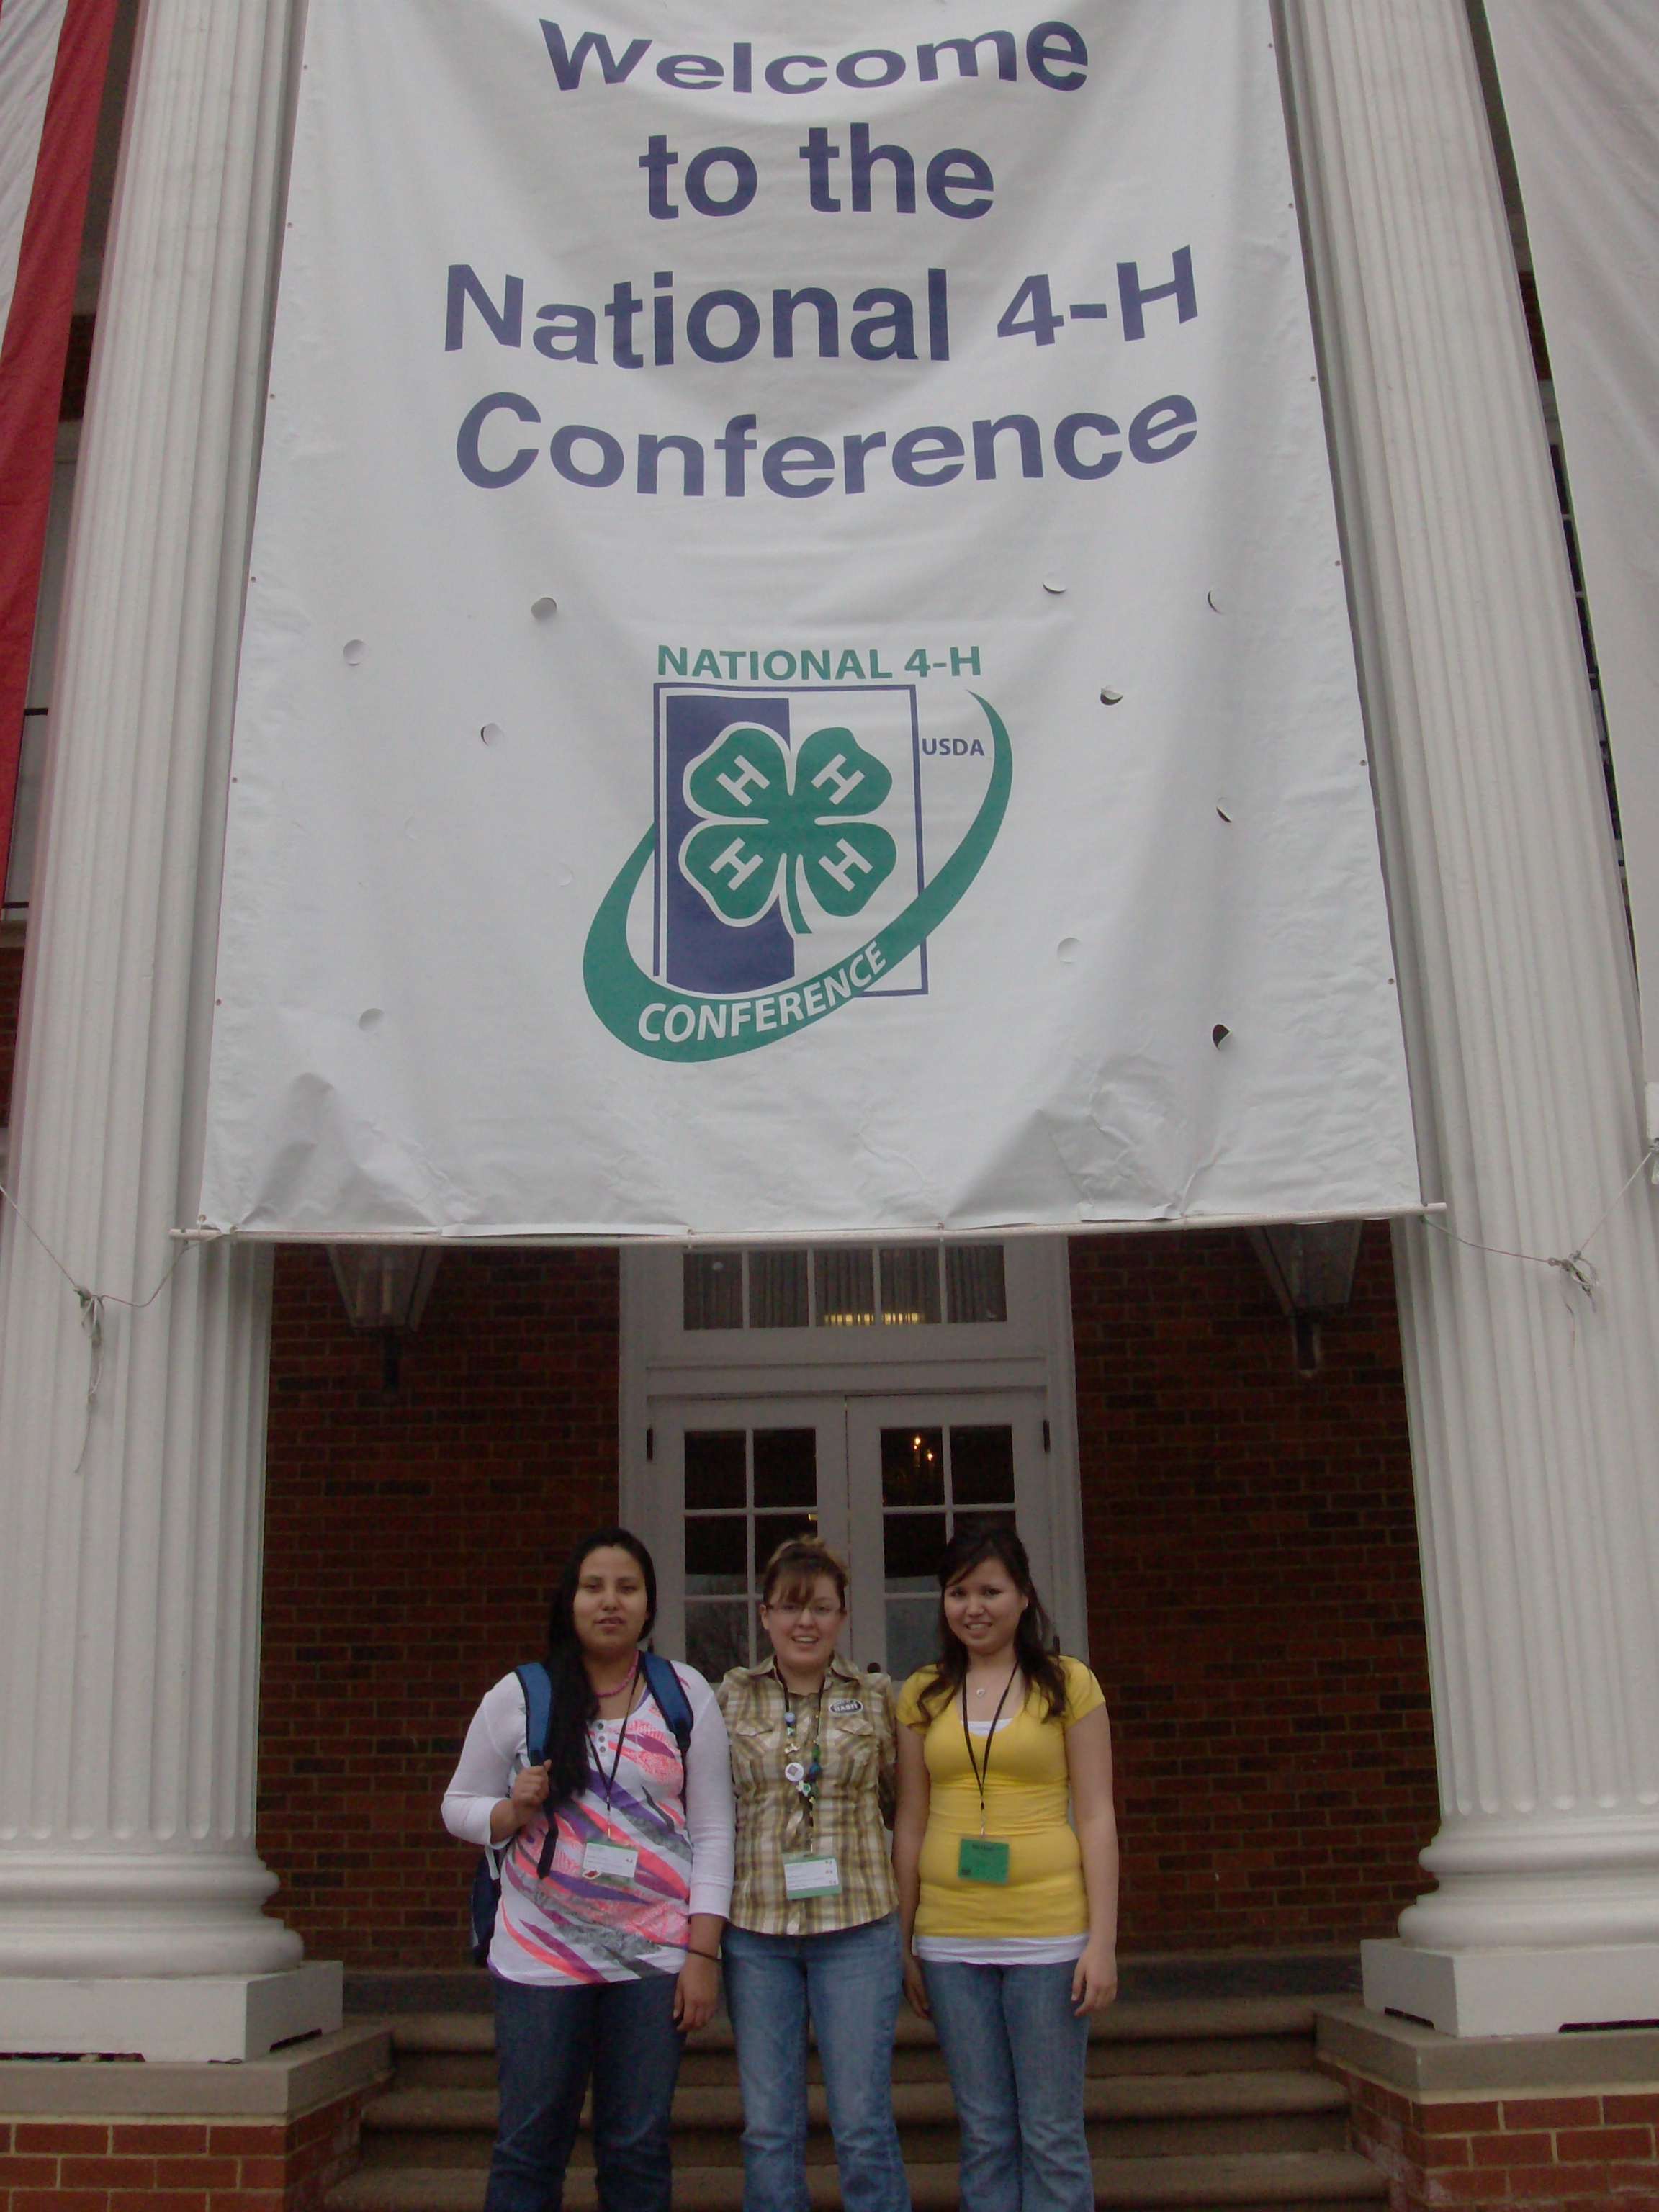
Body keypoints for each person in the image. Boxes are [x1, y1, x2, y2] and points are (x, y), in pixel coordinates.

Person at [442, 1527, 734, 2212]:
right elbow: (457, 1806)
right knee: (529, 2146)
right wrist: (509, 1815)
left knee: (636, 2150)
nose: (611, 1603)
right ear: (569, 1601)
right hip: (542, 1959)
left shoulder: (684, 1692)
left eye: (627, 1589)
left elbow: (717, 1830)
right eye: (594, 1587)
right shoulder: (522, 1694)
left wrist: (703, 1950)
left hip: (654, 1959)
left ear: (648, 1604)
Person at [892, 1524, 1118, 2212]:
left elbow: (1098, 1816)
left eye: (990, 1590)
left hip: (1049, 1937)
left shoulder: (1068, 1683)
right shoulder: (923, 1694)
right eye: (959, 1592)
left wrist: (1101, 1943)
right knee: (986, 2133)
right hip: (951, 1939)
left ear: (1023, 1598)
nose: (974, 1607)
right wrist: (904, 1944)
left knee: (1050, 2133)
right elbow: (909, 1822)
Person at [716, 1537, 911, 2212]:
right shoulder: (728, 1701)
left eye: (822, 1608)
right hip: (757, 1933)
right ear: (765, 1615)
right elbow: (710, 1817)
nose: (807, 1622)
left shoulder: (879, 1699)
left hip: (857, 1928)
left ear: (842, 1616)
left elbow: (904, 1809)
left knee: (861, 2124)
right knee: (769, 2129)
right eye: (792, 1607)